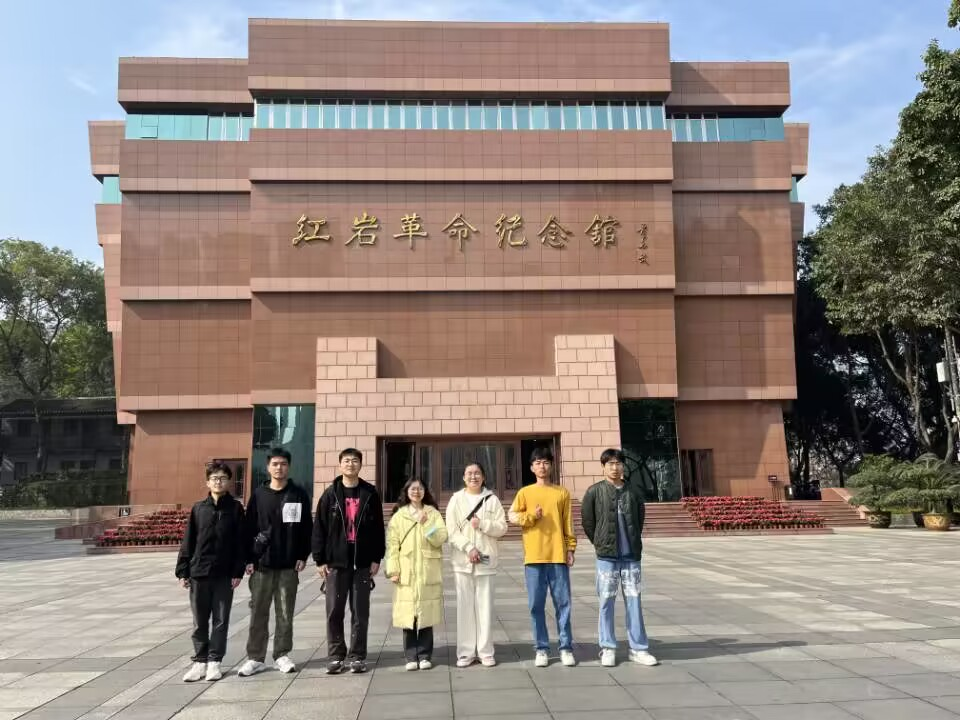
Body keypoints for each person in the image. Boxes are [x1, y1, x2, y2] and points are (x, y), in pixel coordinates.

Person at [237, 448, 313, 677]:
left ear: (289, 467)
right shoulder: (259, 495)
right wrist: (249, 559)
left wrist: (303, 555)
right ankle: (255, 657)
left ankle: (281, 654)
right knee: (258, 613)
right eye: (275, 464)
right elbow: (248, 528)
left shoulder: (298, 494)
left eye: (283, 464)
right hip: (262, 565)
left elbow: (306, 528)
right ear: (268, 467)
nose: (279, 468)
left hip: (288, 565)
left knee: (285, 612)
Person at [581, 449, 658, 667]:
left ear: (623, 466)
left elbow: (639, 519)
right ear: (603, 467)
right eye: (610, 464)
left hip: (631, 556)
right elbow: (588, 521)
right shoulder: (594, 491)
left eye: (618, 463)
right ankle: (607, 647)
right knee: (606, 601)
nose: (615, 468)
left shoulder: (633, 491)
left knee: (634, 601)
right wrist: (599, 542)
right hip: (607, 557)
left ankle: (638, 648)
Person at [312, 448, 386, 675]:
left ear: (361, 465)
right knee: (334, 610)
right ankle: (336, 655)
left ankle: (357, 656)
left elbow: (378, 529)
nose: (351, 464)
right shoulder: (330, 495)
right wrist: (319, 559)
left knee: (360, 612)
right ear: (340, 465)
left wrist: (376, 557)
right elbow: (319, 528)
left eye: (355, 460)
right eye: (346, 461)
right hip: (336, 563)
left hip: (362, 562)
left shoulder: (369, 493)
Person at [175, 461, 247, 682]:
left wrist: (238, 571)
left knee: (221, 620)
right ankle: (200, 661)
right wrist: (183, 570)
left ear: (229, 482)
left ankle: (215, 661)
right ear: (207, 482)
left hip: (224, 573)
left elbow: (241, 542)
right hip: (199, 572)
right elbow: (188, 541)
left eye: (223, 478)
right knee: (199, 621)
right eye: (214, 478)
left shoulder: (235, 509)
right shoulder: (199, 509)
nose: (218, 482)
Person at [509, 447, 577, 668]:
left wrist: (570, 548)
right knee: (536, 606)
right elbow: (512, 516)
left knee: (563, 604)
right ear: (531, 467)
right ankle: (542, 648)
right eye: (537, 462)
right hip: (534, 558)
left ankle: (565, 647)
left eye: (546, 462)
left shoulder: (562, 493)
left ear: (551, 465)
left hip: (557, 556)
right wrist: (531, 516)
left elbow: (568, 522)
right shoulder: (525, 492)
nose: (542, 466)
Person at [445, 462, 507, 668]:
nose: (473, 477)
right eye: (469, 473)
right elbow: (451, 531)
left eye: (477, 473)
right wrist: (468, 548)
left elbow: (502, 528)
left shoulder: (492, 500)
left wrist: (483, 524)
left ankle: (485, 651)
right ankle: (465, 652)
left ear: (483, 477)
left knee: (485, 608)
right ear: (463, 477)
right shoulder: (456, 499)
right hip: (462, 562)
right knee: (464, 608)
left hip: (486, 561)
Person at [385, 478, 448, 671]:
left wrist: (427, 524)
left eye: (420, 488)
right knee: (408, 615)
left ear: (425, 491)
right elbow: (392, 545)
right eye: (413, 488)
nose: (416, 492)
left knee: (426, 614)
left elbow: (441, 538)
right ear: (407, 492)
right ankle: (411, 656)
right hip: (406, 571)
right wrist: (393, 570)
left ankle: (425, 655)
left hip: (427, 570)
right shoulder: (399, 516)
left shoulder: (432, 513)